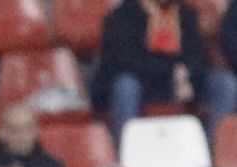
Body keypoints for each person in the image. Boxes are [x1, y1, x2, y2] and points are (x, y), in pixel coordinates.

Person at [94, 0, 237, 143]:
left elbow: (198, 57)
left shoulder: (185, 14)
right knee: (126, 86)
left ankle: (214, 147)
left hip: (180, 83)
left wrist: (186, 73)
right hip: (142, 82)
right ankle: (126, 148)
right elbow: (126, 61)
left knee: (225, 83)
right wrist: (172, 75)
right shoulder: (123, 15)